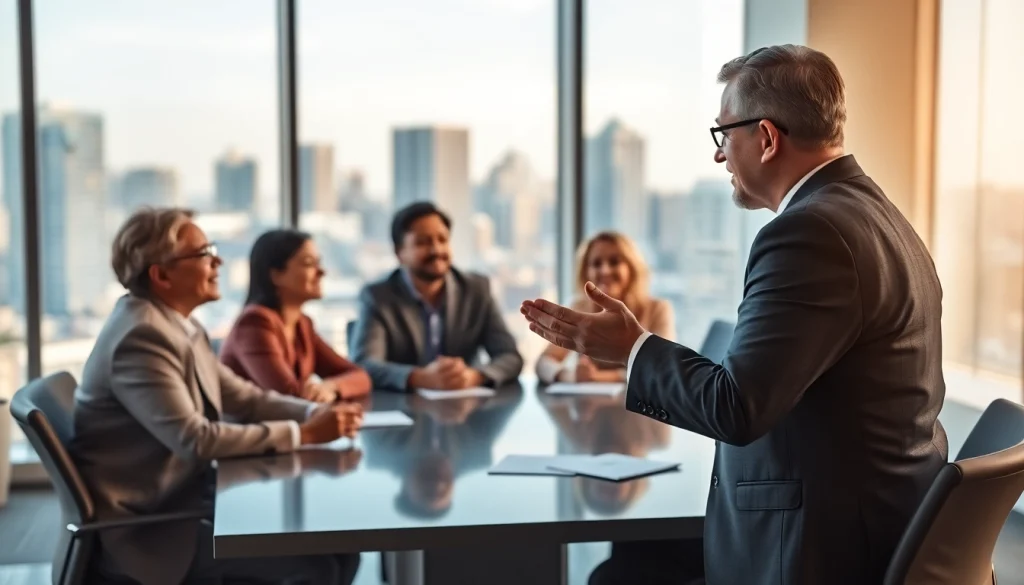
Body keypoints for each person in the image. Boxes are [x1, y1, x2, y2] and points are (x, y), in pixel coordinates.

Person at [521, 44, 946, 585]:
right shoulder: (877, 213)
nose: (720, 156)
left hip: (817, 546)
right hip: (873, 521)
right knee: (628, 565)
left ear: (766, 138)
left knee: (618, 576)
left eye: (724, 134)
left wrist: (631, 348)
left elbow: (736, 407)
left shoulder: (808, 233)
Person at [72, 207, 364, 585]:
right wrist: (305, 434)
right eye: (203, 253)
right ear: (161, 275)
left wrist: (312, 413)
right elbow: (196, 440)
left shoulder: (179, 324)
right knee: (319, 564)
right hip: (153, 530)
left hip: (190, 500)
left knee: (339, 545)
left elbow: (245, 398)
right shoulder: (141, 337)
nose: (218, 261)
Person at [350, 201, 524, 391]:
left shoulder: (476, 289)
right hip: (402, 404)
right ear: (399, 253)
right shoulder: (378, 296)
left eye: (442, 239)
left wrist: (474, 376)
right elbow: (365, 364)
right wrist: (419, 378)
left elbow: (510, 356)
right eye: (423, 242)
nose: (436, 250)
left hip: (465, 402)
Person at [220, 229, 372, 402]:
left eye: (319, 263)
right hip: (250, 420)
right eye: (309, 263)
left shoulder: (302, 324)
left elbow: (360, 376)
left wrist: (331, 386)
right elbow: (289, 396)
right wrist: (319, 390)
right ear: (276, 275)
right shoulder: (254, 323)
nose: (321, 272)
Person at [536, 231, 674, 384]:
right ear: (586, 271)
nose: (605, 271)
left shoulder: (657, 309)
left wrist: (598, 377)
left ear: (631, 267)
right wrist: (570, 375)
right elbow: (543, 363)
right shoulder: (579, 307)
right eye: (596, 264)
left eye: (614, 262)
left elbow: (663, 366)